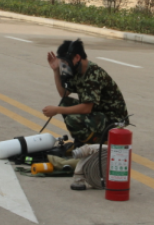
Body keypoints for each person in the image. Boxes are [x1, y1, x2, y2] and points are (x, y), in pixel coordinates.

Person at [42, 40, 128, 189]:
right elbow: (64, 94)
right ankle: (87, 142)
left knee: (73, 118)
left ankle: (97, 144)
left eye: (65, 63)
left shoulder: (93, 74)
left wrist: (57, 110)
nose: (65, 67)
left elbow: (86, 108)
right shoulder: (78, 69)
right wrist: (55, 71)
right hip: (99, 114)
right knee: (65, 104)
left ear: (76, 58)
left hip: (113, 122)